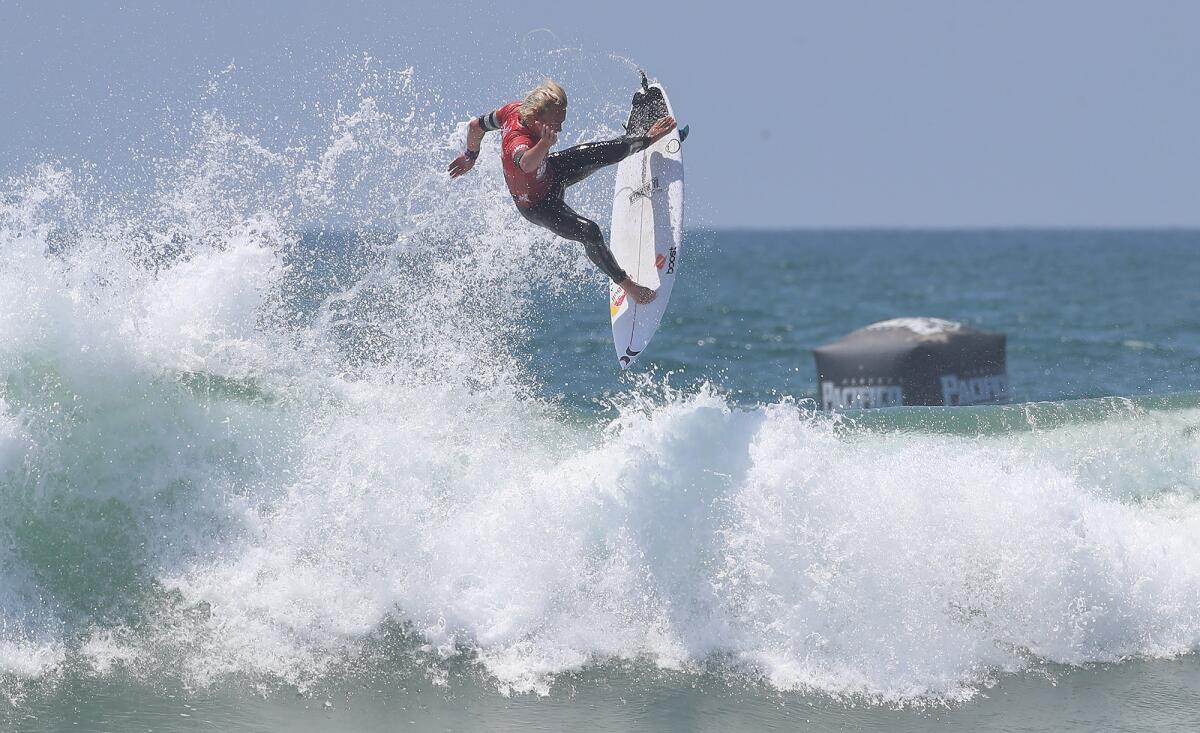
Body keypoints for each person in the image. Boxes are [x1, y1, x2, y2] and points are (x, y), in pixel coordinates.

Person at [448, 79, 676, 304]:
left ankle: (644, 138)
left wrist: (471, 156)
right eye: (556, 123)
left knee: (597, 152)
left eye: (561, 120)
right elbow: (526, 163)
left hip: (550, 172)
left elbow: (476, 126)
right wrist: (544, 145)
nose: (560, 128)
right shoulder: (517, 141)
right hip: (538, 204)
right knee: (590, 232)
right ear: (536, 118)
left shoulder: (512, 110)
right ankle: (627, 285)